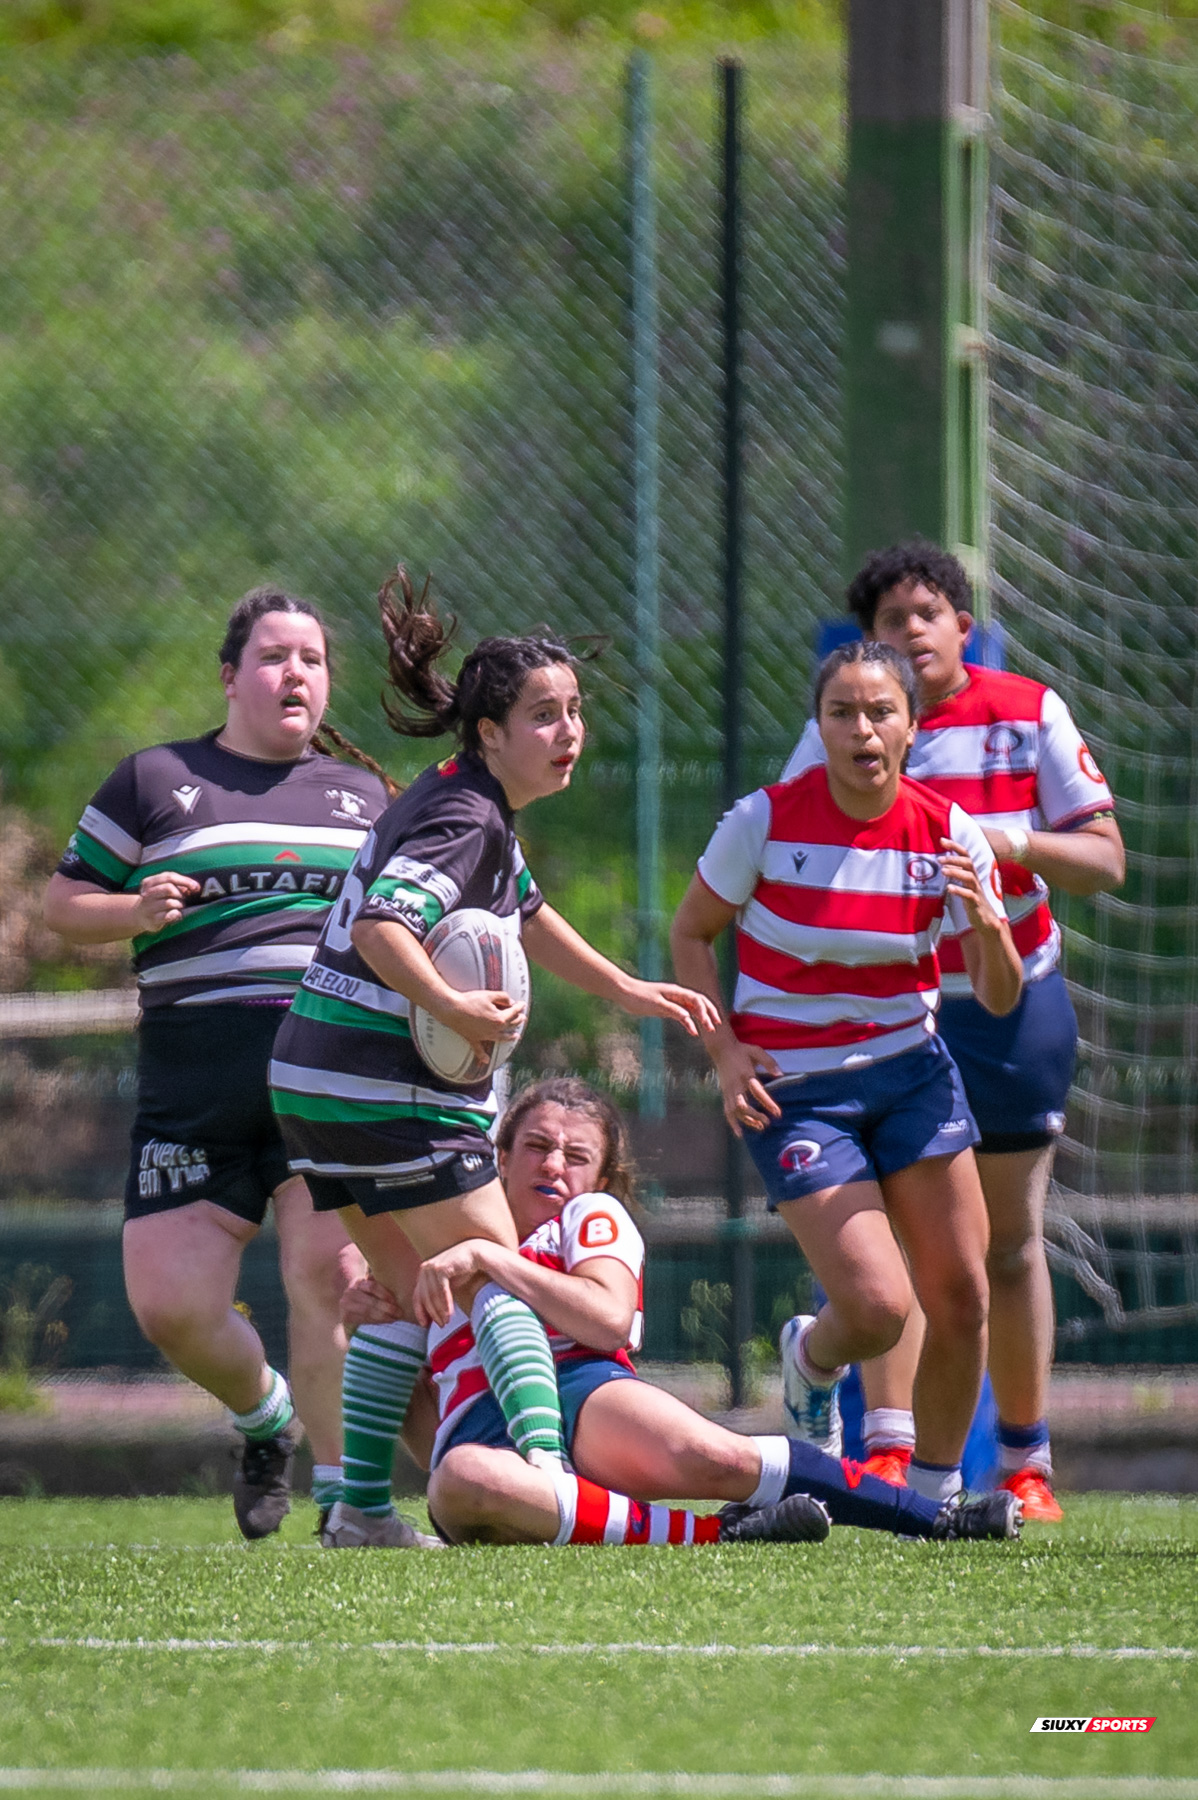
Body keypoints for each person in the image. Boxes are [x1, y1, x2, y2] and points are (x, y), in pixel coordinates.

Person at [268, 569, 718, 1550]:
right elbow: (385, 926)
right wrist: (452, 1004)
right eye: (544, 716)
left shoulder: (465, 799)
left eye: (574, 711)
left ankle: (359, 1512)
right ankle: (548, 1476)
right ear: (488, 732)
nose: (569, 732)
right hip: (383, 1086)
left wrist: (627, 989)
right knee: (496, 1277)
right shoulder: (466, 817)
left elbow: (529, 913)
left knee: (413, 1298)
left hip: (311, 1083)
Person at [780, 542, 1124, 1519]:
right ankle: (890, 1456)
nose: (910, 632)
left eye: (925, 613)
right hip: (889, 1013)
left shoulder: (1028, 711)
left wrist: (1003, 841)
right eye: (889, 620)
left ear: (963, 627)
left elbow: (1106, 859)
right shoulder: (846, 723)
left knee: (1008, 1247)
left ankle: (1024, 1461)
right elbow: (783, 841)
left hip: (1012, 1009)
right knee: (895, 1244)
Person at [43, 586, 392, 1539]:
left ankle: (349, 1507)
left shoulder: (365, 796)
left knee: (330, 1277)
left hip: (325, 1078)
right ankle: (266, 1416)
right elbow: (62, 905)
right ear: (231, 676)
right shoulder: (156, 779)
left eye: (312, 659)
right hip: (194, 1087)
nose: (295, 674)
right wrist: (133, 909)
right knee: (172, 1308)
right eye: (275, 656)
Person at [338, 1077, 1021, 1546]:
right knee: (461, 1479)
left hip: (583, 1390)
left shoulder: (587, 1217)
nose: (554, 1166)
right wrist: (365, 1322)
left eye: (577, 1156)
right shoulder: (436, 1247)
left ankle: (936, 1519)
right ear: (501, 1159)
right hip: (482, 1434)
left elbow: (607, 1320)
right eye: (537, 1147)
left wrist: (494, 1262)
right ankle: (721, 1534)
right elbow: (426, 1433)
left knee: (716, 1456)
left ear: (604, 1179)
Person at [670, 639, 1023, 1509]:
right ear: (819, 727)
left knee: (964, 1295)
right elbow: (690, 933)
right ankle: (809, 1357)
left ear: (911, 727)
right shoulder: (763, 820)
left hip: (913, 1076)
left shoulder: (950, 833)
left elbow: (999, 996)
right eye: (842, 713)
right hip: (797, 1092)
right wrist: (723, 1051)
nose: (862, 729)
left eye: (880, 712)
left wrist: (987, 925)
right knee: (877, 1308)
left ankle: (935, 1500)